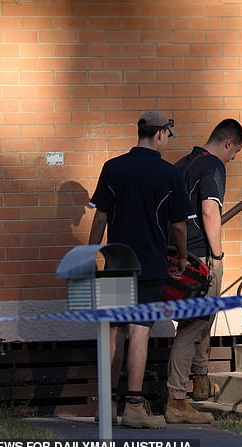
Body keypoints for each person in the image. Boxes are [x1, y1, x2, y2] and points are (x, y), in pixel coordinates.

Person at [88, 111, 193, 428]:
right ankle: (134, 406)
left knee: (113, 331)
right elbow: (179, 226)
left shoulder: (113, 168)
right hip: (150, 266)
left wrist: (91, 255)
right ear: (160, 134)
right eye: (167, 137)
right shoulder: (168, 173)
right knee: (139, 332)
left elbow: (100, 218)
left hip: (117, 261)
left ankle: (106, 404)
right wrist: (183, 257)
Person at [165, 119, 242, 424]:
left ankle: (199, 381)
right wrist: (218, 254)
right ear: (228, 143)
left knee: (201, 320)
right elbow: (210, 210)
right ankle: (176, 399)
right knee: (192, 325)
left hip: (176, 251)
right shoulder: (213, 166)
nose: (233, 157)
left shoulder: (183, 164)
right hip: (200, 256)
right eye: (235, 151)